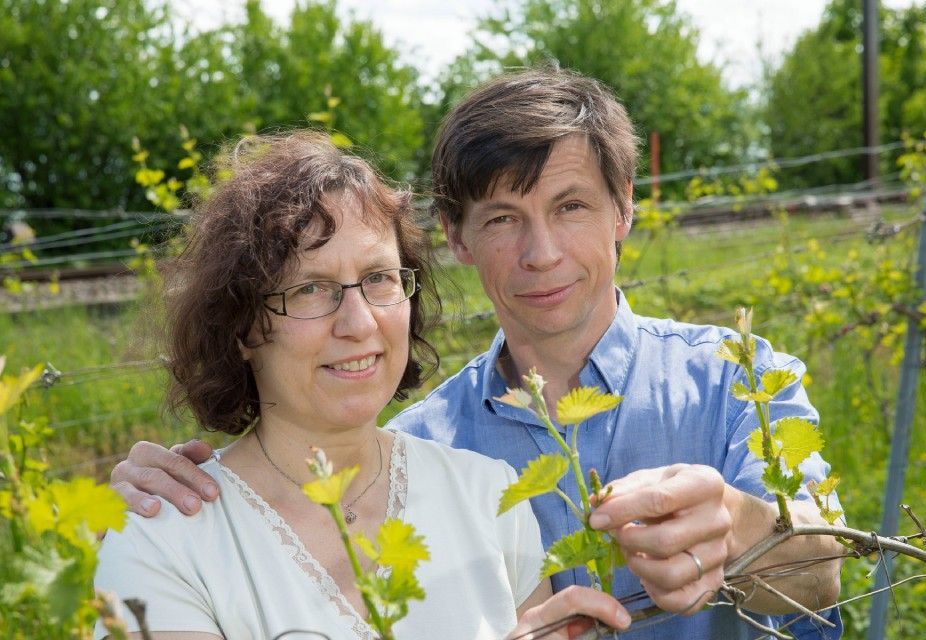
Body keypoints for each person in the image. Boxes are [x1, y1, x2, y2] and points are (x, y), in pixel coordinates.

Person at [110, 68, 844, 639]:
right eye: (503, 218)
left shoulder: (735, 377)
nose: (542, 253)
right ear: (457, 238)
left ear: (625, 207)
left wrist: (741, 528)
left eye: (571, 206)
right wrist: (176, 501)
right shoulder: (418, 448)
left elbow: (828, 574)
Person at [94, 131, 632, 640]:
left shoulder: (489, 495)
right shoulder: (162, 536)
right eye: (310, 288)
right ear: (240, 327)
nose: (359, 322)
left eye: (378, 279)